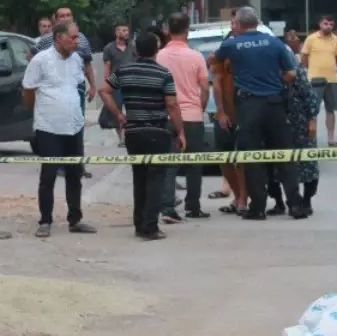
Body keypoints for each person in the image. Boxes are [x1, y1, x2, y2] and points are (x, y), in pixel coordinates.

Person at [212, 6, 305, 219]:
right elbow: (291, 73)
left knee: (252, 157)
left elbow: (214, 62)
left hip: (248, 106)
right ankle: (295, 205)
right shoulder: (275, 43)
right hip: (275, 104)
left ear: (241, 24)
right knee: (284, 155)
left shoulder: (231, 45)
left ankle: (258, 207)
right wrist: (275, 82)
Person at [100, 30, 185, 240]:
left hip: (133, 132)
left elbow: (104, 90)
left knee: (139, 178)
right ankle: (150, 227)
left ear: (136, 50)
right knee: (156, 178)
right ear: (157, 50)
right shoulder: (164, 74)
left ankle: (139, 224)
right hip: (157, 131)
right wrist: (180, 131)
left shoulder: (124, 70)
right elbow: (172, 105)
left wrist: (119, 115)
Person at [23, 21, 98, 238]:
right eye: (73, 38)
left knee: (75, 174)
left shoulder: (76, 60)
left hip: (74, 126)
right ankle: (45, 220)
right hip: (49, 127)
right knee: (49, 176)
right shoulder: (41, 60)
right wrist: (40, 111)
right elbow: (28, 90)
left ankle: (75, 219)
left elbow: (75, 86)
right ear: (58, 38)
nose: (77, 42)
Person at [156, 13, 210, 221]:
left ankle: (168, 206)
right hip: (192, 116)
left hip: (167, 115)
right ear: (188, 30)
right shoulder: (196, 57)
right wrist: (200, 107)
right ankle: (193, 206)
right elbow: (204, 88)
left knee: (169, 163)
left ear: (168, 31)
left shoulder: (159, 56)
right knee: (194, 164)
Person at [33, 6, 97, 178]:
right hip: (55, 91)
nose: (66, 18)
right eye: (62, 16)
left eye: (68, 15)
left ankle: (77, 164)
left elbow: (88, 63)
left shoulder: (81, 39)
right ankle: (59, 164)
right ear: (55, 19)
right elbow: (32, 58)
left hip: (76, 89)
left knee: (77, 125)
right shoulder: (47, 40)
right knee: (57, 126)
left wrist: (93, 86)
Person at [267, 63, 321, 214]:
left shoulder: (296, 71)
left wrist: (312, 119)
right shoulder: (266, 71)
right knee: (275, 164)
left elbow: (309, 95)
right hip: (277, 122)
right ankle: (279, 202)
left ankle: (306, 201)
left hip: (300, 123)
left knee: (308, 162)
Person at [207, 29, 247, 213]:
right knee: (224, 158)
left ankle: (243, 200)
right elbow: (216, 84)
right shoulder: (222, 60)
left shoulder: (249, 59)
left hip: (245, 114)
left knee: (242, 160)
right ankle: (238, 196)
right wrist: (221, 113)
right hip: (225, 114)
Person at [300, 15, 337, 146]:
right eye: (325, 23)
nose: (328, 26)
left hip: (332, 79)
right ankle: (312, 139)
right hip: (315, 79)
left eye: (330, 24)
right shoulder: (311, 38)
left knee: (331, 110)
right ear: (320, 24)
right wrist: (310, 70)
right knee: (313, 110)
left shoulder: (336, 39)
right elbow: (304, 57)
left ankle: (331, 139)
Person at [101, 23, 134, 147]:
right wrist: (107, 82)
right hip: (116, 84)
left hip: (131, 83)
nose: (126, 33)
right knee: (117, 111)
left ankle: (131, 134)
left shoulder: (132, 47)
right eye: (123, 30)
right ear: (116, 32)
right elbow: (107, 66)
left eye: (127, 30)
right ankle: (121, 138)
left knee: (131, 109)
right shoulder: (109, 48)